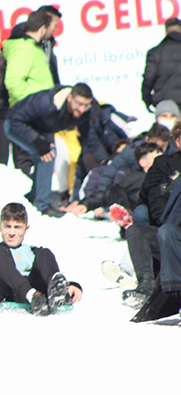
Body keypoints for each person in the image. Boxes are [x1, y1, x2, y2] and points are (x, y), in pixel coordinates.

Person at [0, 202, 83, 316]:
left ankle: (57, 292)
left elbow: (46, 268)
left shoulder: (33, 253)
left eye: (17, 227)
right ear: (0, 227)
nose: (11, 232)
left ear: (26, 228)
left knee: (44, 253)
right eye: (7, 226)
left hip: (37, 296)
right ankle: (30, 294)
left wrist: (70, 286)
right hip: (4, 293)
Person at [5, 83, 96, 217]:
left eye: (86, 105)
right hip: (15, 125)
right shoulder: (46, 103)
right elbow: (15, 119)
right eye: (79, 104)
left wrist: (100, 157)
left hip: (40, 130)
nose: (82, 109)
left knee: (46, 154)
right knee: (48, 155)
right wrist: (37, 141)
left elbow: (89, 136)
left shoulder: (84, 112)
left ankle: (33, 196)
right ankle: (42, 205)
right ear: (70, 97)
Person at [121, 120, 181, 306]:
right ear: (178, 142)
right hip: (170, 230)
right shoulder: (164, 164)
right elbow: (153, 197)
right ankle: (146, 284)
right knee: (137, 230)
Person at [63, 142, 163, 218]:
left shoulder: (169, 177)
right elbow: (106, 195)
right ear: (143, 162)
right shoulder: (132, 180)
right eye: (156, 158)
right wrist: (86, 205)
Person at [1, 10, 54, 107]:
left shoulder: (32, 47)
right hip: (29, 112)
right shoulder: (24, 48)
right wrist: (36, 101)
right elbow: (13, 81)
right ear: (43, 29)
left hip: (37, 111)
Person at [141, 18, 181, 112]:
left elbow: (149, 77)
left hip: (164, 103)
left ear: (166, 33)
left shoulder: (155, 52)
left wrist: (147, 100)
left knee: (167, 126)